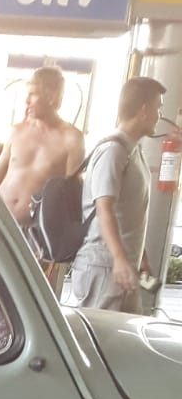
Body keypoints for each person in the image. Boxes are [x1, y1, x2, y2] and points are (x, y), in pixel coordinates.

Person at [71, 77, 166, 313]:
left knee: (127, 332)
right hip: (105, 267)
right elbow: (104, 208)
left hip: (122, 268)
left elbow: (129, 214)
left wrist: (140, 257)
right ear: (144, 110)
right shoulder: (113, 151)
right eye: (158, 108)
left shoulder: (133, 151)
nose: (159, 116)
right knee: (99, 333)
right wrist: (119, 258)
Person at [0, 67, 85, 290]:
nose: (26, 101)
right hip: (1, 225)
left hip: (38, 237)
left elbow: (72, 197)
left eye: (32, 94)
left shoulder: (71, 138)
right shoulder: (17, 131)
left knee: (26, 295)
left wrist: (58, 245)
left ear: (51, 96)